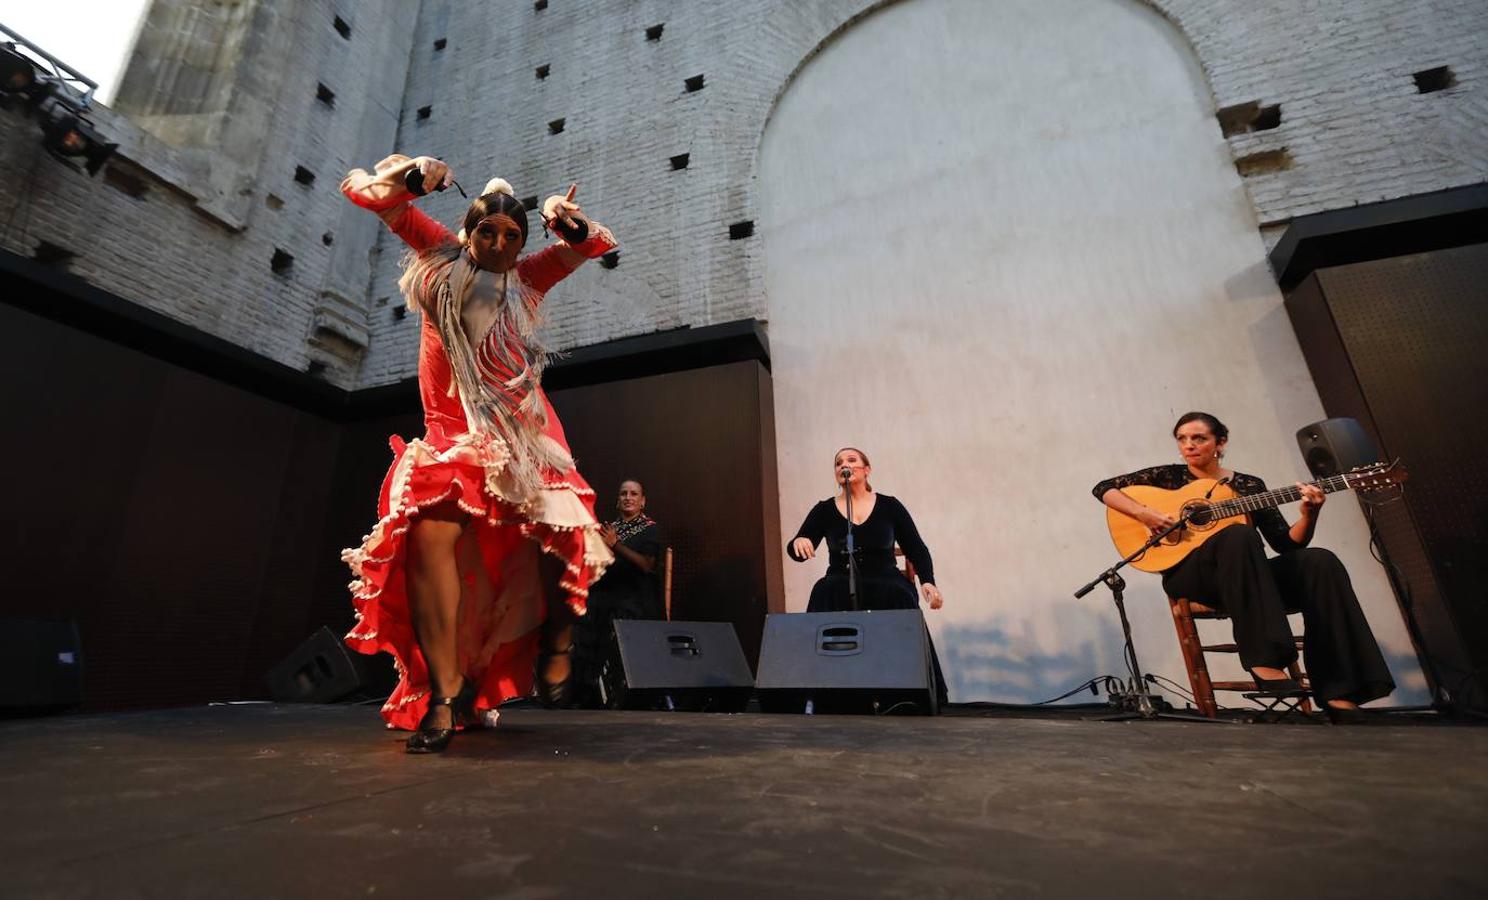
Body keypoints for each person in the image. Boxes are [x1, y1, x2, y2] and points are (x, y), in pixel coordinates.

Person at [338, 154, 617, 752]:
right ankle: (443, 693)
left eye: (511, 237)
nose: (496, 244)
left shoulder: (529, 278)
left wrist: (562, 220)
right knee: (429, 537)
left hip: (524, 434)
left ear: (521, 244)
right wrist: (416, 174)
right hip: (452, 436)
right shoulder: (439, 259)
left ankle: (558, 646)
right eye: (486, 232)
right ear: (467, 232)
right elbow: (372, 196)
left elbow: (590, 245)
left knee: (566, 536)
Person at [1092, 411, 1395, 723]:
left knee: (1319, 561)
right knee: (1238, 534)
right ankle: (1265, 659)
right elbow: (1104, 488)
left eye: (1199, 438)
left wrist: (1309, 514)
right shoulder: (1169, 477)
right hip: (1193, 575)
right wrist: (1145, 514)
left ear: (1220, 443)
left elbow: (1286, 544)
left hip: (1247, 576)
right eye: (1182, 439)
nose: (1189, 445)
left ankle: (1339, 691)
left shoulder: (1249, 485)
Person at [787, 447, 947, 705]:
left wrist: (928, 581)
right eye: (838, 463)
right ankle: (823, 693)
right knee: (823, 591)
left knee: (900, 594)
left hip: (885, 579)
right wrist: (799, 542)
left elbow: (916, 547)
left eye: (851, 460)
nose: (843, 465)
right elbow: (798, 548)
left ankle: (909, 695)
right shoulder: (824, 509)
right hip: (840, 579)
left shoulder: (890, 506)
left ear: (866, 469)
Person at [572, 479, 667, 706]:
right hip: (606, 595)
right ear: (618, 499)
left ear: (642, 501)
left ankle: (623, 694)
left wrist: (616, 545)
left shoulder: (650, 529)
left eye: (634, 494)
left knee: (615, 613)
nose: (628, 497)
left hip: (635, 598)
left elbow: (646, 565)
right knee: (584, 615)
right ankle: (587, 694)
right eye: (623, 493)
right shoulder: (608, 529)